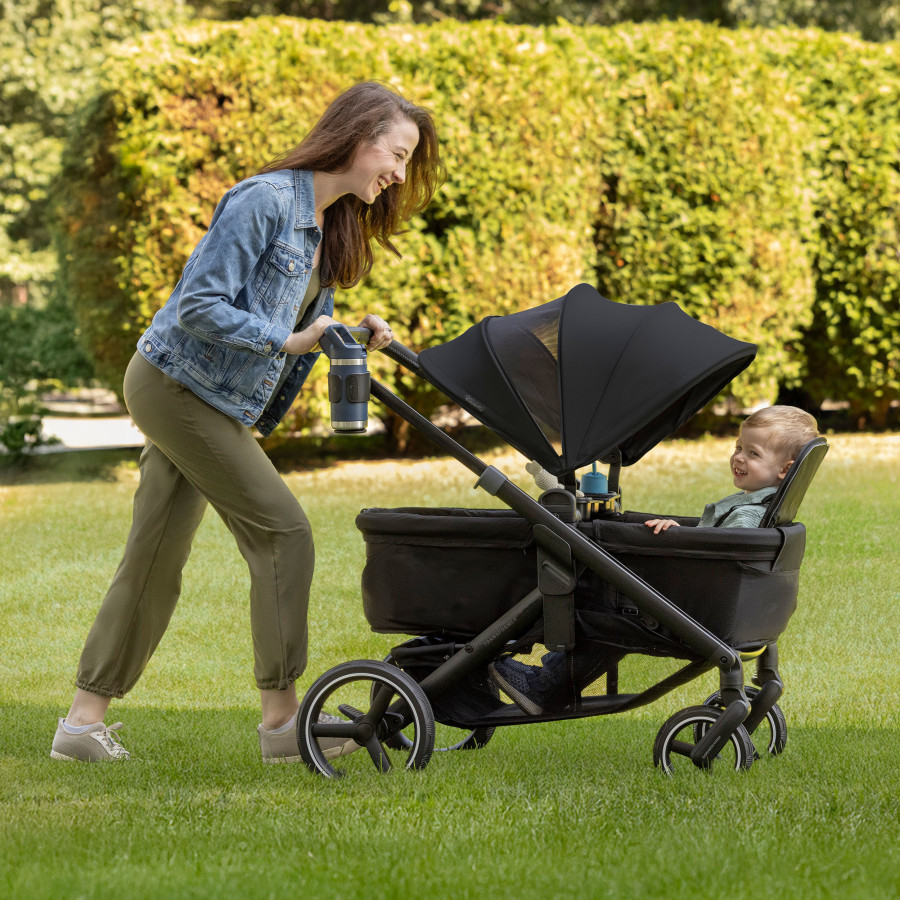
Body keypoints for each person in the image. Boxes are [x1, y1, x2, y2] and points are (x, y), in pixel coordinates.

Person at [50, 81, 445, 763]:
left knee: (154, 555)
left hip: (207, 396)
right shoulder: (264, 200)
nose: (400, 175)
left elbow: (296, 323)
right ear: (359, 137)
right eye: (398, 155)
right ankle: (282, 724)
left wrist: (349, 332)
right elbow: (199, 304)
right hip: (175, 384)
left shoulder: (329, 222)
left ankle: (81, 726)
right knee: (284, 534)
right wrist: (286, 341)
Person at [490, 405, 819, 715]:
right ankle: (548, 683)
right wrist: (679, 530)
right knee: (616, 618)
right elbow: (712, 543)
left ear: (785, 469)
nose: (739, 457)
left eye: (753, 453)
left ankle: (545, 687)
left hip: (694, 611)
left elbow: (717, 555)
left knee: (603, 616)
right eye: (738, 447)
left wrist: (678, 541)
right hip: (724, 611)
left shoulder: (746, 517)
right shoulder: (764, 510)